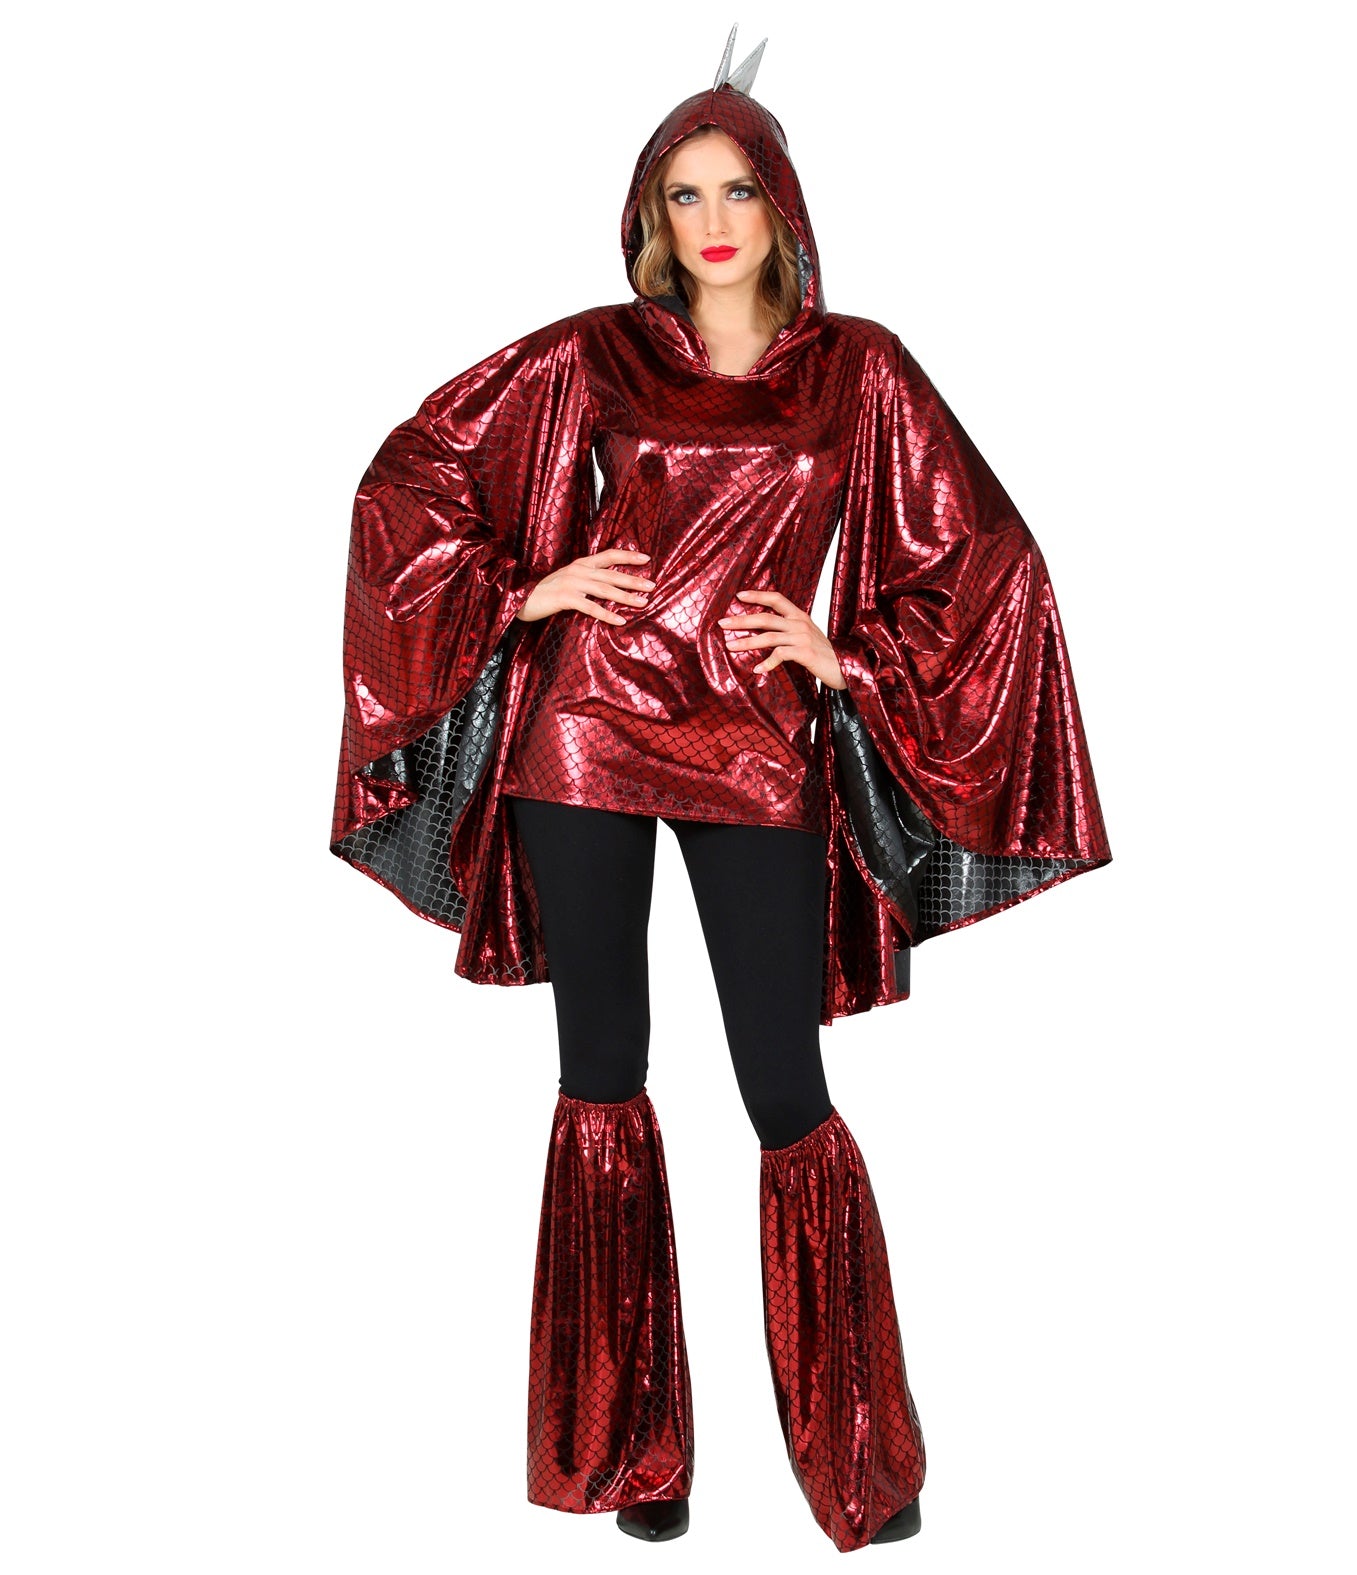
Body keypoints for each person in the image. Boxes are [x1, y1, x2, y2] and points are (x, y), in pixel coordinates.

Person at [329, 27, 1111, 1553]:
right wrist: (525, 589)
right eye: (681, 194)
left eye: (735, 189)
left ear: (782, 205)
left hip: (756, 748)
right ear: (649, 215)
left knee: (781, 1087)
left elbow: (986, 562)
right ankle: (633, 1454)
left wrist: (847, 655)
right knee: (603, 1075)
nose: (710, 220)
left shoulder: (857, 369)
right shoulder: (594, 356)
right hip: (586, 737)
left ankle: (858, 1457)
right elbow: (404, 486)